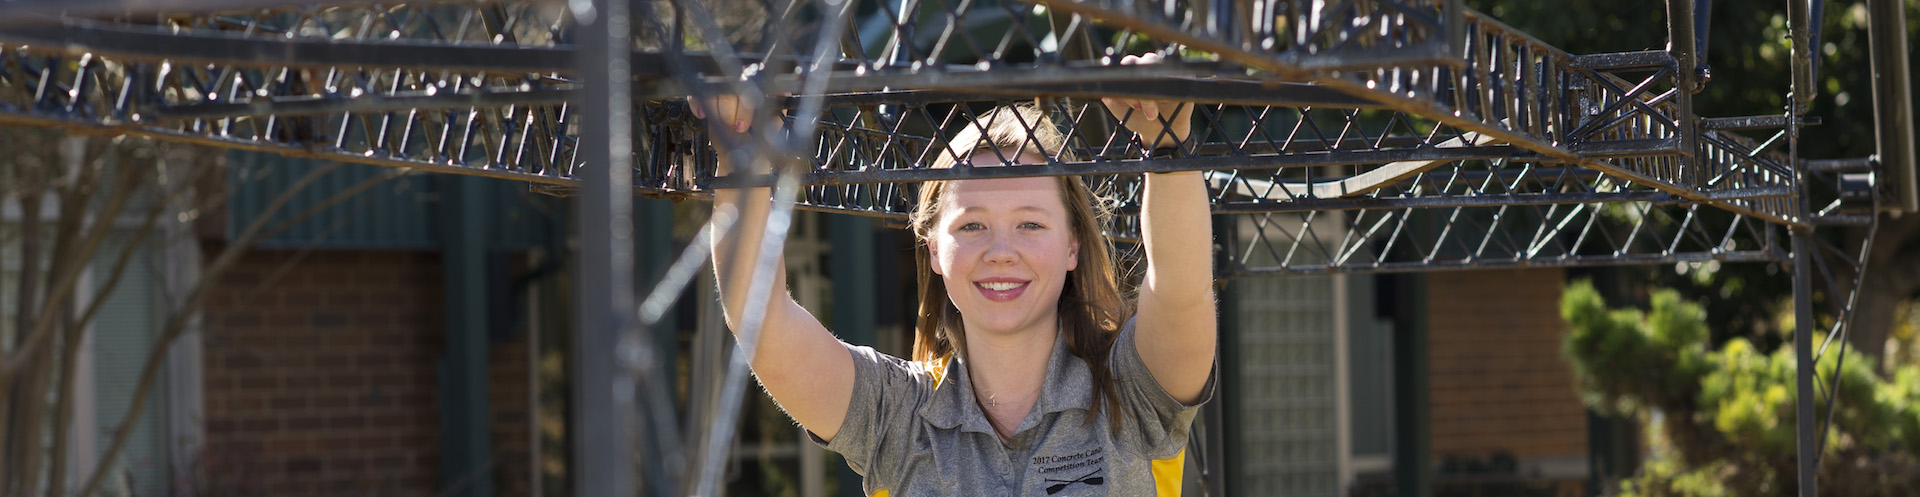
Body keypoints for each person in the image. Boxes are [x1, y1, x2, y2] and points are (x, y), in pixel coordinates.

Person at [696, 54, 1217, 496]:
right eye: (971, 226)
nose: (1000, 251)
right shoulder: (896, 416)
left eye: (1030, 224)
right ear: (934, 251)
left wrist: (1166, 141)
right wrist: (738, 152)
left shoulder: (1132, 393)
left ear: (1072, 246)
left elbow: (1180, 290)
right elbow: (761, 321)